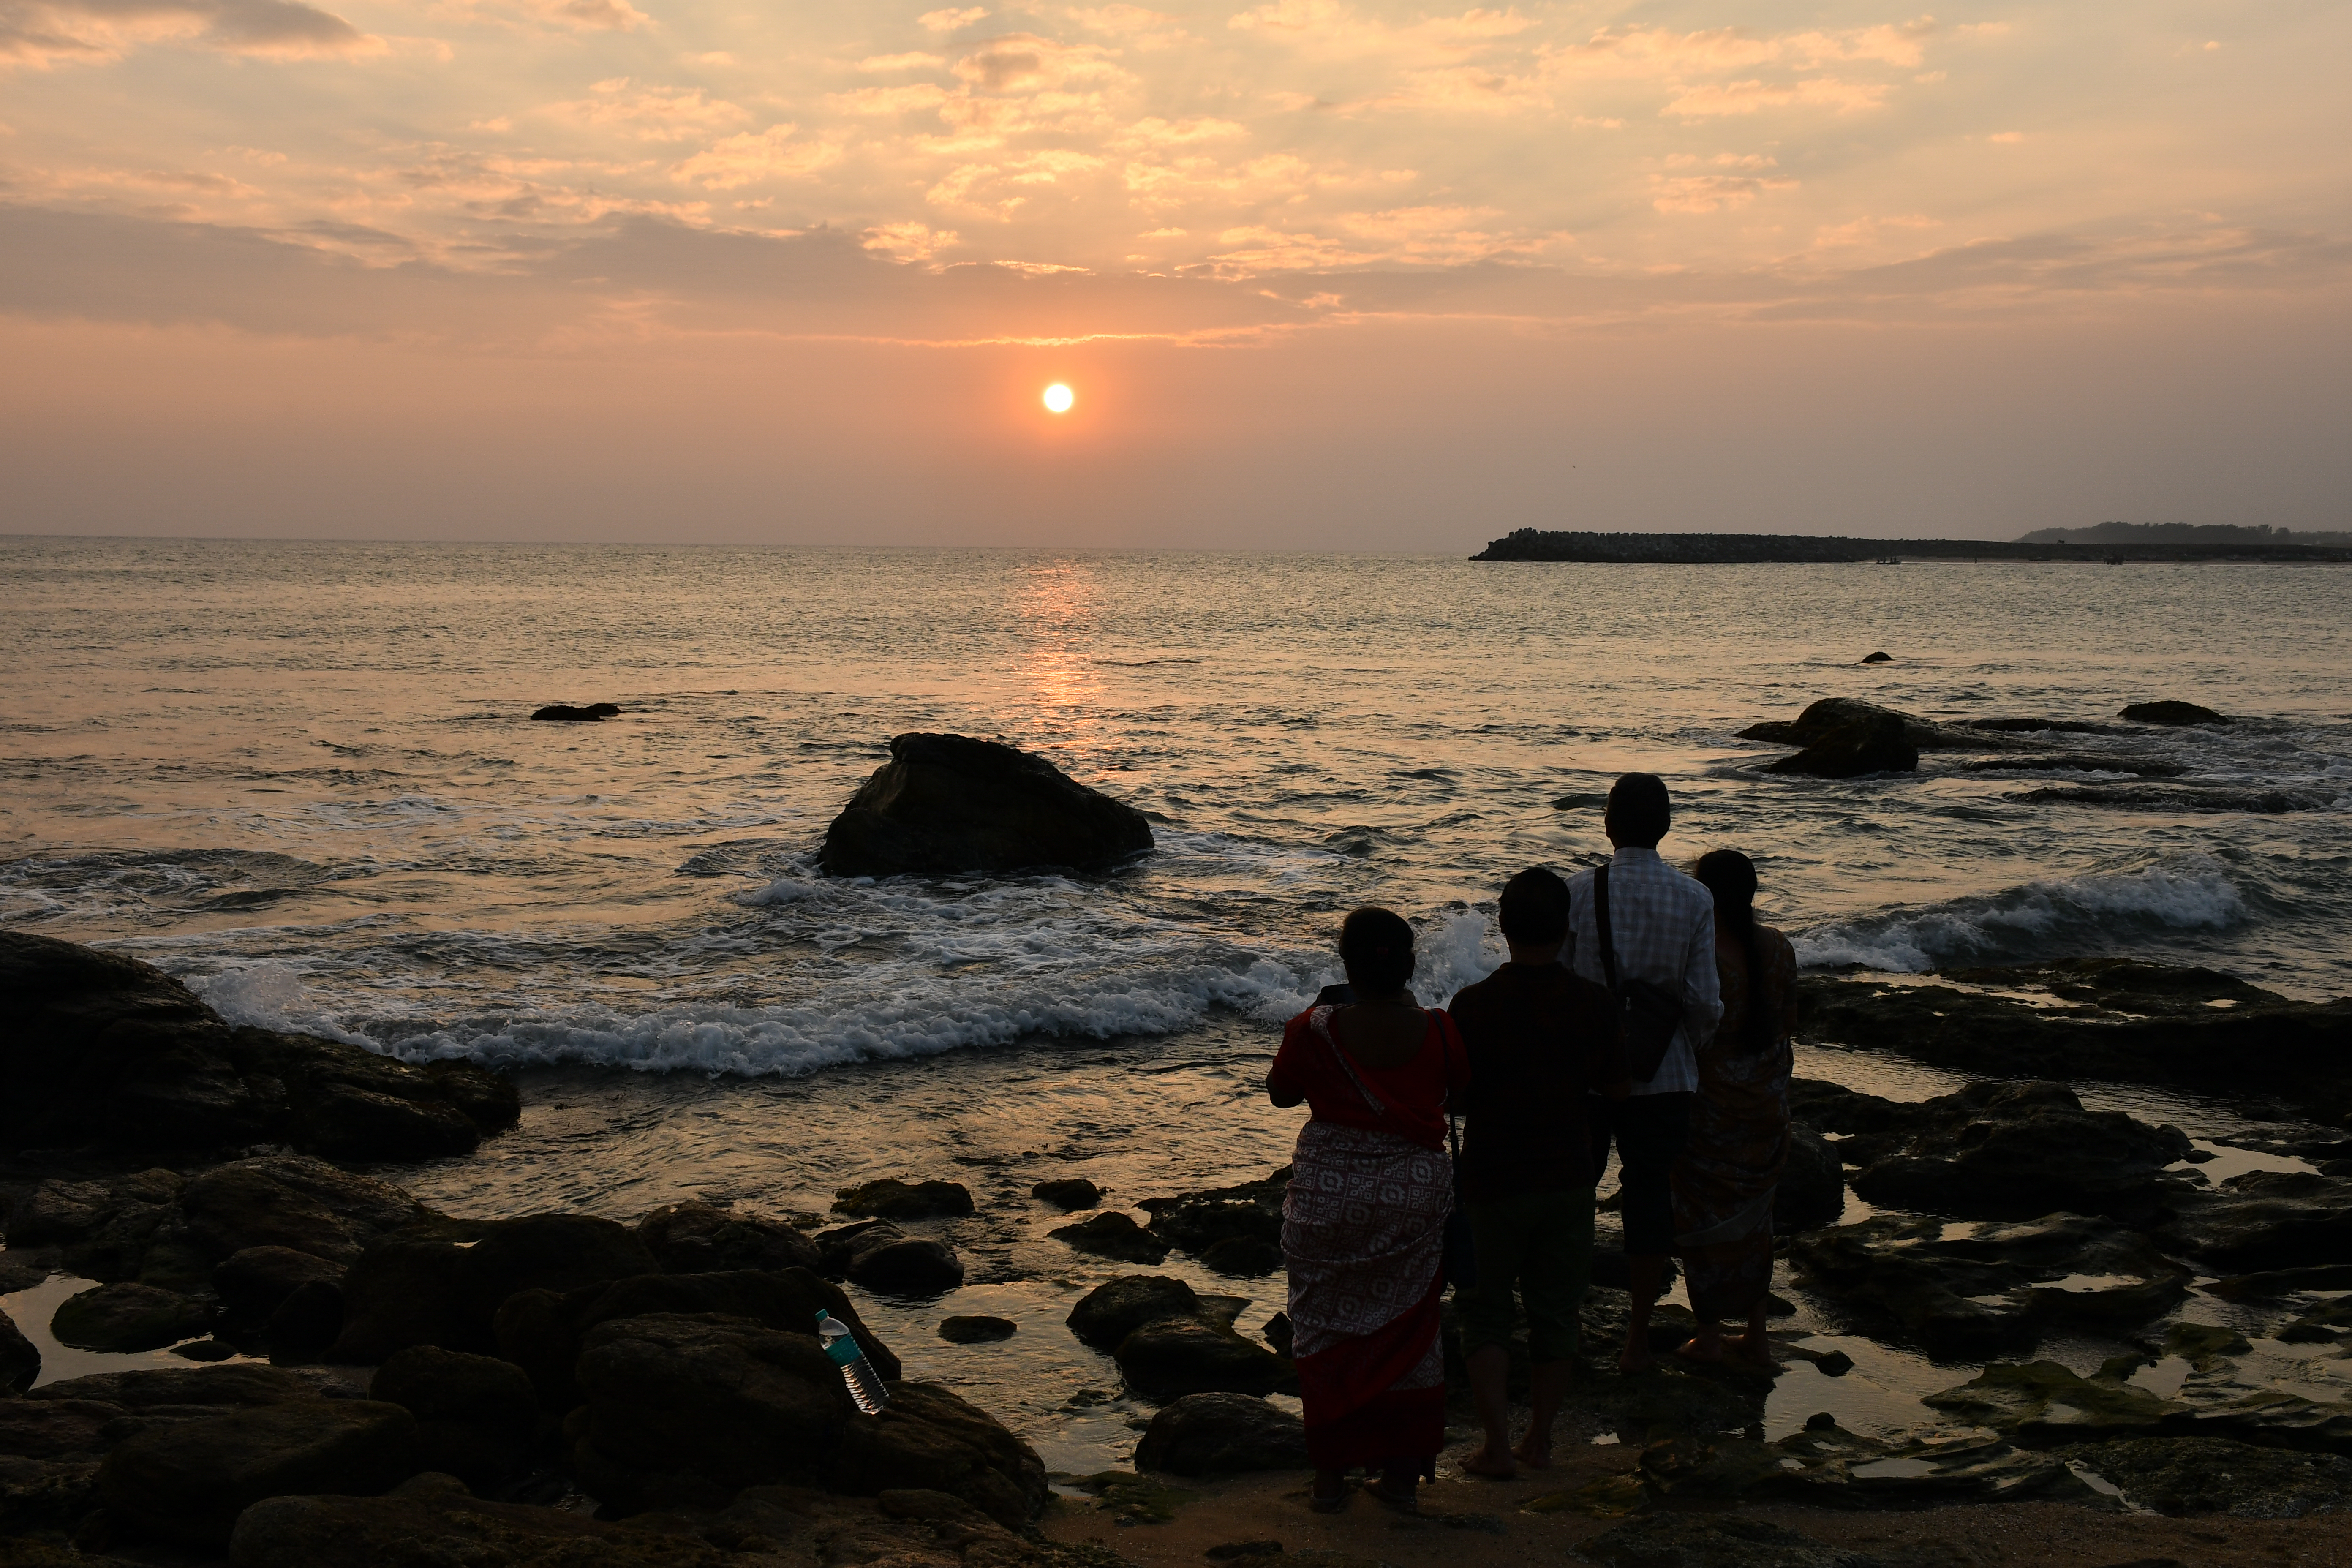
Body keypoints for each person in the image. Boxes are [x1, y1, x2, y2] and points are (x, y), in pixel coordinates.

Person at [1267, 907, 1468, 1514]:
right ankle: (1401, 1482)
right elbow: (1460, 1098)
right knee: (1411, 1331)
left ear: (1348, 966)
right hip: (1410, 1201)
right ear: (1409, 965)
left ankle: (1330, 1481)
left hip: (1327, 1198)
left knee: (1323, 1330)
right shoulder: (1437, 1030)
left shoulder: (1314, 1028)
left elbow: (1281, 1094)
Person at [1446, 866, 1628, 1478]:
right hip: (1568, 1174)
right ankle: (1541, 1441)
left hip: (1493, 1177)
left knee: (1485, 1311)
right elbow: (1619, 1086)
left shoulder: (1472, 1006)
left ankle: (1496, 1446)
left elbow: (1457, 1097)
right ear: (1566, 927)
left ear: (1502, 926)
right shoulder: (1594, 1003)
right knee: (1556, 1312)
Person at [1564, 772, 1722, 1373]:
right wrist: (1685, 1048)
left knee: (1575, 1193)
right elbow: (1705, 1001)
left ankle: (1567, 1326)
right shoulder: (1695, 898)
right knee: (1651, 1197)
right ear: (1666, 827)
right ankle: (1636, 1340)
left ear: (1608, 824)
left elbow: (1556, 985)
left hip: (1586, 1076)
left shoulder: (1578, 891)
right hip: (1666, 1074)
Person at [1670, 849, 1800, 1366]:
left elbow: (1691, 1031)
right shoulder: (1779, 947)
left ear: (1705, 896)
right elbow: (1788, 1021)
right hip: (1767, 1107)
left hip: (1711, 1112)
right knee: (1756, 1225)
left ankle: (1709, 1335)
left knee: (1702, 1225)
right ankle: (1758, 1335)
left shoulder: (1702, 954)